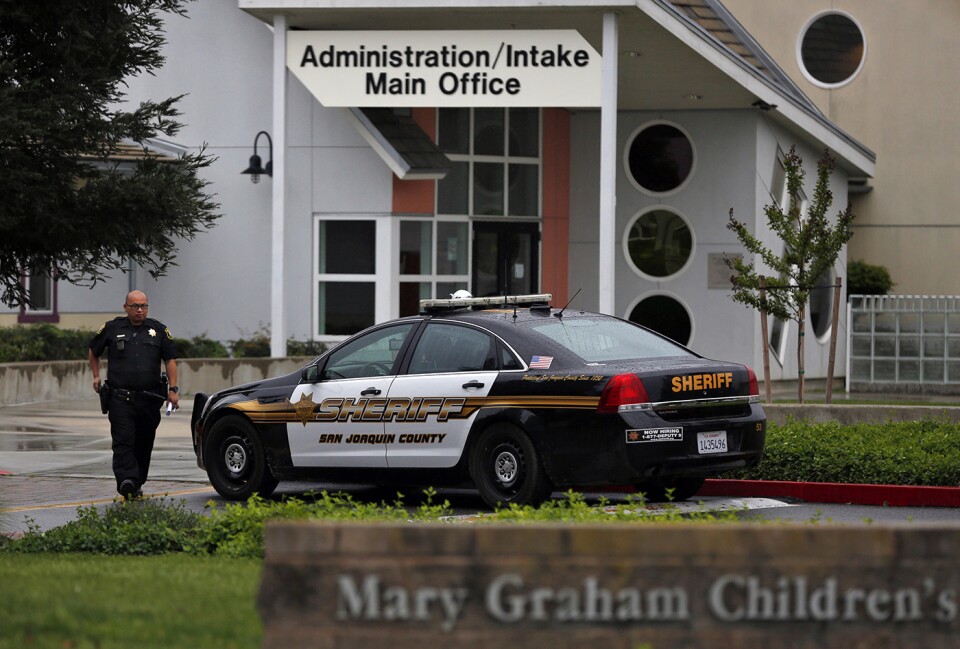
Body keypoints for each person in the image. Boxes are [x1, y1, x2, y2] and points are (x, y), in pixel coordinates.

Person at [88, 290, 180, 500]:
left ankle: (137, 481)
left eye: (144, 306)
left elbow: (170, 360)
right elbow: (94, 349)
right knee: (123, 441)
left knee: (144, 442)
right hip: (121, 399)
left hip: (149, 399)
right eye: (135, 306)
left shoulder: (158, 329)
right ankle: (126, 480)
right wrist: (96, 376)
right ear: (126, 307)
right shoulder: (113, 328)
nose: (140, 310)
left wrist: (173, 391)